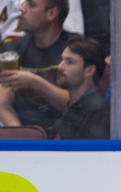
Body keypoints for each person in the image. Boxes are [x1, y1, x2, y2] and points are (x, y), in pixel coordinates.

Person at [0, 0, 72, 130]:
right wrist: (18, 134)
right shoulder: (10, 51)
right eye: (24, 3)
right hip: (20, 135)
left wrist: (35, 83)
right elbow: (2, 101)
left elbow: (80, 105)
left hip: (68, 139)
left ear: (51, 13)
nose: (22, 9)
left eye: (31, 5)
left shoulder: (76, 50)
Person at [48, 35, 109, 139]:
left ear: (89, 70)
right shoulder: (71, 109)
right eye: (62, 60)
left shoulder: (99, 113)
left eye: (69, 62)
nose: (60, 66)